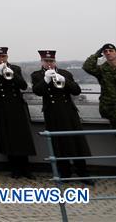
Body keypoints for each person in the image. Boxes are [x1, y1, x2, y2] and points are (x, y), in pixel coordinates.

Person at [32, 50, 92, 184]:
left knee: (77, 143)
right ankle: (65, 173)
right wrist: (46, 79)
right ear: (42, 62)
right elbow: (37, 91)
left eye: (51, 61)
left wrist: (64, 80)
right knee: (58, 144)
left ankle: (83, 173)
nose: (49, 63)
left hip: (69, 112)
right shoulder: (37, 75)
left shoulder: (65, 73)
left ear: (55, 61)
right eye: (46, 61)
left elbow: (76, 90)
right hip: (52, 113)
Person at [0, 47, 35, 179]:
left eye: (4, 57)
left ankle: (26, 168)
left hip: (16, 105)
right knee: (8, 137)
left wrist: (12, 72)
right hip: (2, 107)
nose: (1, 59)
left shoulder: (15, 68)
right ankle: (15, 169)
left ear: (7, 57)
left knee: (22, 137)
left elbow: (23, 85)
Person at [82, 42, 116, 140]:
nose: (108, 53)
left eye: (111, 51)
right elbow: (87, 67)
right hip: (112, 111)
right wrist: (97, 54)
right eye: (105, 51)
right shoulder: (102, 70)